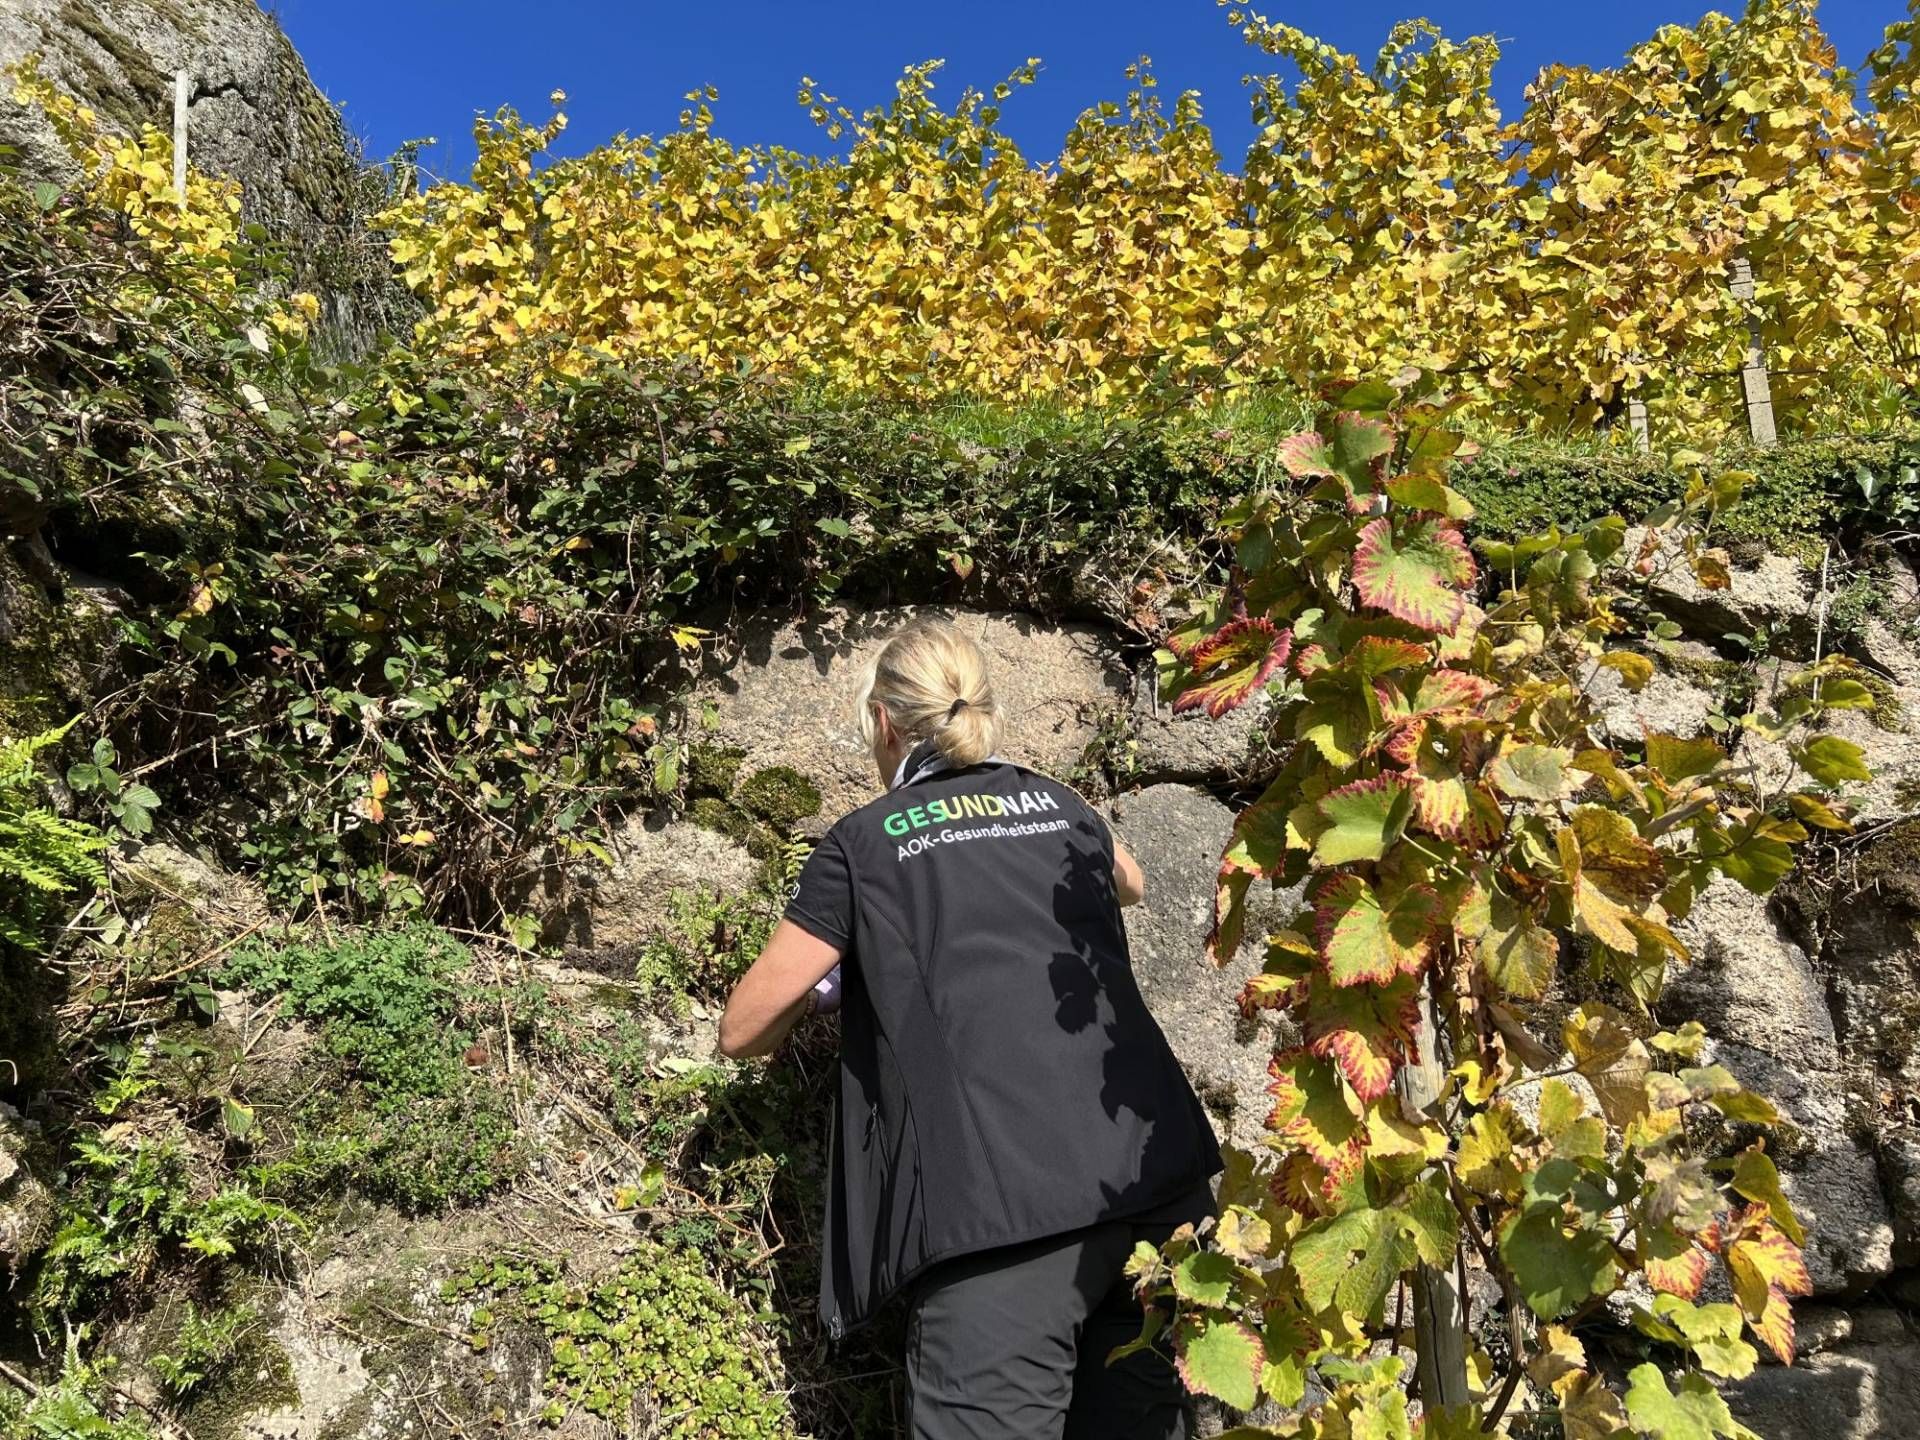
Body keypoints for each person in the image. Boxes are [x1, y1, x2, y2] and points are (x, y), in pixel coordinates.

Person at [719, 617, 1223, 1440]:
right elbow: (1127, 882)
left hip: (1007, 1228)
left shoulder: (865, 844)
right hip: (1159, 1189)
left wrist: (839, 980)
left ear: (884, 723)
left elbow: (742, 1029)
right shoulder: (1057, 802)